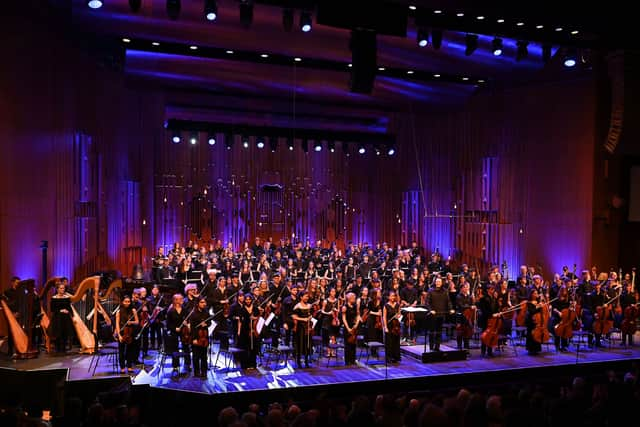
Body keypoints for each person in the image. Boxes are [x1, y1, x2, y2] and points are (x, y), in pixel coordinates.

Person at [164, 293, 191, 374]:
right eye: (180, 299)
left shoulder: (184, 309)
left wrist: (187, 324)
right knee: (175, 348)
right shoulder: (170, 311)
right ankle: (175, 365)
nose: (182, 300)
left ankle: (187, 364)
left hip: (184, 331)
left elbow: (188, 320)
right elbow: (168, 324)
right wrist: (175, 328)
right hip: (174, 332)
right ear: (175, 300)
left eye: (182, 299)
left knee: (186, 347)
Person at [425, 277, 454, 352]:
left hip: (441, 314)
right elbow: (427, 302)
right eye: (437, 281)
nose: (438, 283)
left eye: (439, 282)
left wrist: (450, 309)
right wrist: (430, 310)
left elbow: (448, 302)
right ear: (435, 282)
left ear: (441, 283)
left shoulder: (445, 291)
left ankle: (437, 347)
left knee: (439, 331)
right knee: (432, 331)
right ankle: (431, 347)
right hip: (432, 314)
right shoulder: (430, 291)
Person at [114, 295, 139, 373]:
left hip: (130, 332)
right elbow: (117, 324)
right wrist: (119, 335)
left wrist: (131, 322)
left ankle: (129, 366)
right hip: (122, 332)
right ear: (122, 302)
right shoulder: (118, 311)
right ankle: (122, 367)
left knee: (130, 350)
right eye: (125, 301)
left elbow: (137, 322)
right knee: (121, 351)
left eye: (128, 301)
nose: (127, 303)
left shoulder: (133, 310)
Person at [49, 281, 74, 354]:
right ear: (57, 289)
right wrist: (61, 310)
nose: (62, 290)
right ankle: (58, 347)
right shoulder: (54, 298)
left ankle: (63, 347)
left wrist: (69, 312)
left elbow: (69, 307)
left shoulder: (67, 298)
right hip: (57, 317)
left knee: (65, 332)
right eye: (61, 288)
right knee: (58, 331)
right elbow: (52, 309)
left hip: (65, 317)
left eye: (63, 288)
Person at [237, 293, 260, 370]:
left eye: (249, 299)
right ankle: (245, 365)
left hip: (253, 330)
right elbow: (240, 321)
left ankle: (253, 363)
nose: (248, 301)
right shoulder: (241, 309)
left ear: (251, 300)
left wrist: (255, 318)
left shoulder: (255, 309)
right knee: (245, 348)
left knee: (253, 348)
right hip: (244, 330)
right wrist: (239, 331)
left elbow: (259, 319)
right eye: (246, 299)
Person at [292, 291, 313, 368]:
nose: (307, 298)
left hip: (308, 327)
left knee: (307, 344)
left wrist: (310, 317)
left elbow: (311, 315)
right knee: (300, 344)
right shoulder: (297, 306)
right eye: (305, 296)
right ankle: (299, 362)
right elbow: (293, 316)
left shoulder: (309, 306)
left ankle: (307, 361)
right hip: (300, 327)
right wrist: (303, 319)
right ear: (301, 297)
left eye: (307, 296)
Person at [190, 297, 210, 378]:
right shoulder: (193, 314)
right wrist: (194, 338)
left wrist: (206, 324)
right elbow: (192, 327)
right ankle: (196, 372)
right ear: (198, 303)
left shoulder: (206, 312)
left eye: (204, 302)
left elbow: (209, 322)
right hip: (196, 336)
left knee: (204, 356)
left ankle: (204, 372)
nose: (203, 304)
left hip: (204, 337)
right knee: (196, 356)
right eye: (202, 302)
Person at [342, 292, 360, 365]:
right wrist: (348, 328)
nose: (354, 299)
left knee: (353, 344)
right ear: (349, 298)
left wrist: (356, 324)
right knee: (348, 344)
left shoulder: (355, 306)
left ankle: (353, 359)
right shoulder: (344, 307)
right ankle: (348, 360)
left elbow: (358, 315)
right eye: (353, 297)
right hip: (348, 327)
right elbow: (344, 319)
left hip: (354, 327)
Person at [383, 291, 401, 363]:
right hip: (389, 325)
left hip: (396, 325)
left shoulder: (397, 305)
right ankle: (389, 357)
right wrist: (385, 327)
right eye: (391, 296)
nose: (393, 297)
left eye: (394, 296)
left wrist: (398, 316)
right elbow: (384, 317)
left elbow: (399, 314)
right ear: (388, 297)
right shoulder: (386, 306)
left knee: (396, 342)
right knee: (389, 342)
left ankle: (396, 357)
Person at [525, 289, 543, 355]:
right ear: (531, 294)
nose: (536, 294)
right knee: (531, 334)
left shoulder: (538, 301)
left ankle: (537, 349)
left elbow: (540, 311)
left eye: (536, 293)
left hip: (537, 320)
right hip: (530, 320)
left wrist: (541, 306)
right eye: (534, 293)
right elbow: (531, 311)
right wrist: (537, 306)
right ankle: (530, 349)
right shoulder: (529, 302)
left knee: (537, 333)